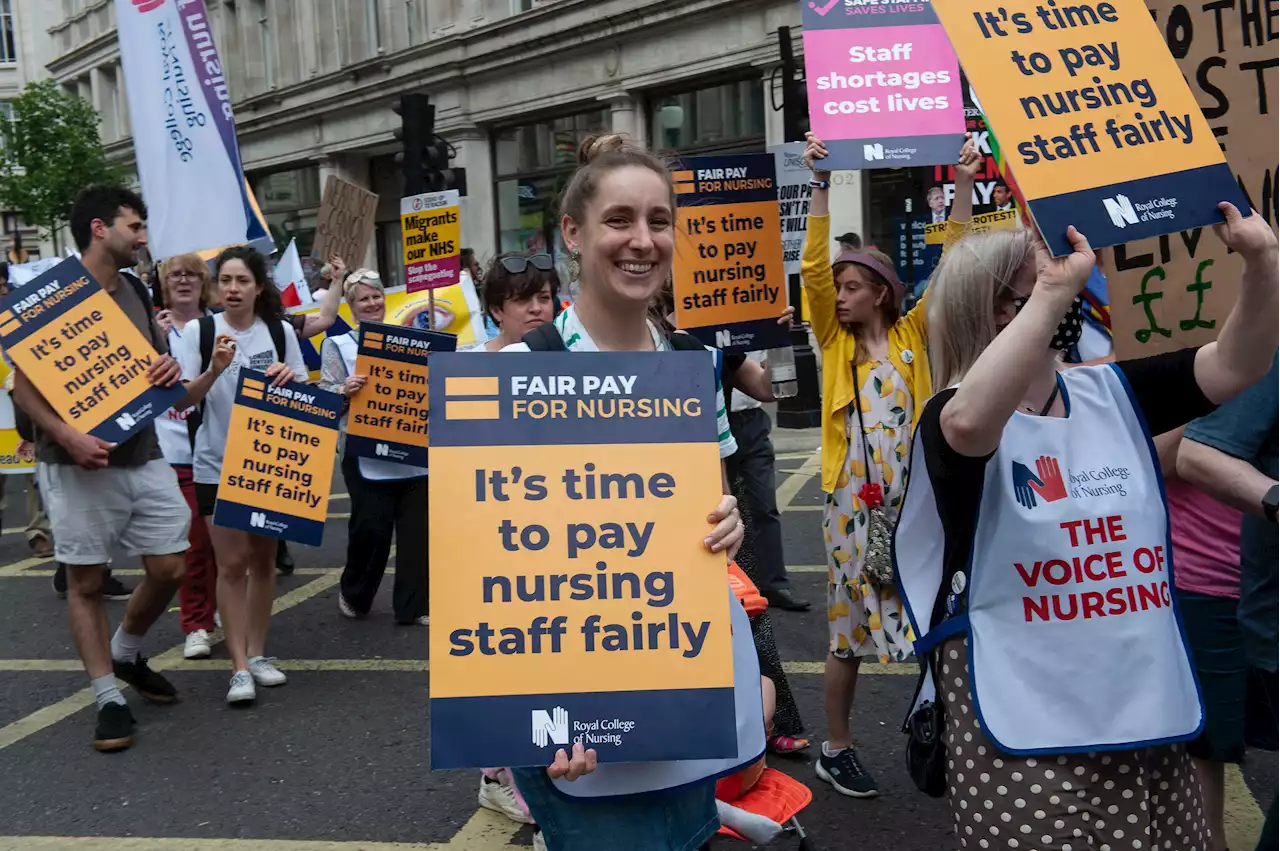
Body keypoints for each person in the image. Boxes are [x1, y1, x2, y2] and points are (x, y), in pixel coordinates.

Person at [893, 198, 1280, 850]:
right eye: (1039, 276)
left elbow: (1237, 364)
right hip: (1027, 734)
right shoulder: (951, 418)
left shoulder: (1111, 394)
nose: (1069, 282)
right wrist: (1051, 293)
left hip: (1140, 715)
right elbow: (968, 425)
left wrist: (1263, 262)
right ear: (998, 307)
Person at [503, 133, 747, 851]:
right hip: (569, 717)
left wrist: (730, 525)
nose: (642, 240)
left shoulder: (692, 365)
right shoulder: (518, 369)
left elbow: (715, 512)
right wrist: (541, 712)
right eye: (619, 220)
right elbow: (489, 567)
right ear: (573, 234)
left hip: (678, 691)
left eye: (659, 220)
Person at [802, 132, 977, 798]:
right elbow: (813, 272)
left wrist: (962, 182)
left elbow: (955, 261)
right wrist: (819, 185)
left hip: (914, 504)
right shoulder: (832, 342)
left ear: (881, 293)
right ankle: (836, 746)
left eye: (852, 287)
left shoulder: (911, 339)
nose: (839, 296)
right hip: (850, 506)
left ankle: (943, 727)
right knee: (845, 630)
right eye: (839, 287)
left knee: (935, 618)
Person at [12, 186, 217, 751]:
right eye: (135, 226)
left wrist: (166, 364)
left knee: (172, 565)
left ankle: (125, 652)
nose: (144, 237)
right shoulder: (51, 296)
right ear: (101, 229)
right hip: (75, 461)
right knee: (86, 580)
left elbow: (154, 366)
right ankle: (107, 697)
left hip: (141, 451)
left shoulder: (130, 288)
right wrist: (67, 436)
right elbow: (24, 389)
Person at [176, 246, 308, 705]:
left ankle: (258, 653)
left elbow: (305, 389)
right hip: (215, 464)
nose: (233, 289)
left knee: (263, 562)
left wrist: (291, 379)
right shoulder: (200, 330)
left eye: (242, 281)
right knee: (230, 565)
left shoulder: (278, 330)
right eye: (226, 281)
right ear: (216, 287)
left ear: (258, 287)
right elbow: (182, 401)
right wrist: (214, 370)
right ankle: (237, 668)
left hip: (269, 464)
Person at [1175, 358, 1280, 850]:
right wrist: (1208, 389)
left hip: (1253, 587)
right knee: (1205, 748)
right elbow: (1172, 456)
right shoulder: (1202, 358)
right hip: (1203, 582)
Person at [317, 268, 429, 626]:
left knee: (417, 531)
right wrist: (343, 391)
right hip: (364, 452)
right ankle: (355, 593)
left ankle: (415, 605)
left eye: (376, 296)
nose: (371, 303)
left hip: (413, 448)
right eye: (363, 298)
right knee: (373, 528)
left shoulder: (410, 339)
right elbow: (323, 398)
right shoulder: (337, 345)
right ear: (350, 306)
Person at [153, 253, 222, 660]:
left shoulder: (217, 326)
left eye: (191, 275)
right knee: (193, 544)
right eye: (174, 274)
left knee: (231, 546)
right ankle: (196, 623)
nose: (183, 281)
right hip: (172, 450)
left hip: (218, 444)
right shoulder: (148, 329)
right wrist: (155, 341)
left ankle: (226, 609)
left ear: (203, 282)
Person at [469, 251, 560, 352]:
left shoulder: (572, 352)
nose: (536, 308)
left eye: (544, 298)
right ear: (496, 311)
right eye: (523, 299)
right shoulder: (471, 364)